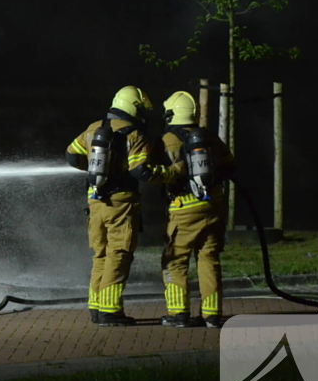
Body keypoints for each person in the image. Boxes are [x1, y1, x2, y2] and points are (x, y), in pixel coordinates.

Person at [65, 86, 158, 326]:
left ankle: (96, 308)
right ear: (133, 108)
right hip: (121, 203)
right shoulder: (134, 134)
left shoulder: (93, 129)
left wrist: (97, 172)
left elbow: (72, 156)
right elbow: (140, 170)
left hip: (95, 201)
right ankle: (110, 310)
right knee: (119, 253)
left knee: (101, 254)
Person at [153, 90, 235, 328]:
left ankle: (178, 314)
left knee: (175, 260)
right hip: (214, 205)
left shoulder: (166, 140)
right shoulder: (209, 137)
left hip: (184, 208)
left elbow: (151, 171)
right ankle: (212, 315)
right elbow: (230, 166)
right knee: (208, 258)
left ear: (170, 114)